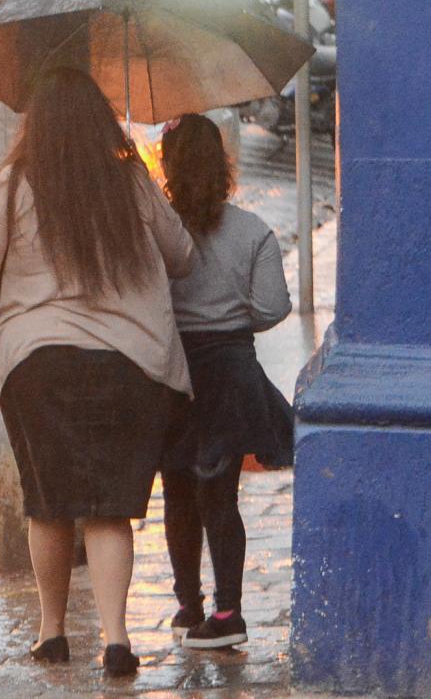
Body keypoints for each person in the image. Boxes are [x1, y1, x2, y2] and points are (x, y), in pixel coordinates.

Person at [0, 67, 195, 677]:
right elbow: (184, 258)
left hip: (38, 364)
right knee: (108, 506)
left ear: (33, 125)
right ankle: (117, 640)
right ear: (98, 120)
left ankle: (52, 632)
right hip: (131, 365)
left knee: (49, 502)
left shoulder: (12, 186)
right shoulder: (129, 181)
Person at [157, 113, 295, 650]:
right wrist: (233, 320)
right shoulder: (254, 232)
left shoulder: (159, 230)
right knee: (221, 494)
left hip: (174, 371)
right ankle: (229, 612)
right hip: (233, 372)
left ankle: (188, 605)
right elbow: (274, 306)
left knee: (176, 491)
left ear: (167, 166)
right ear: (224, 165)